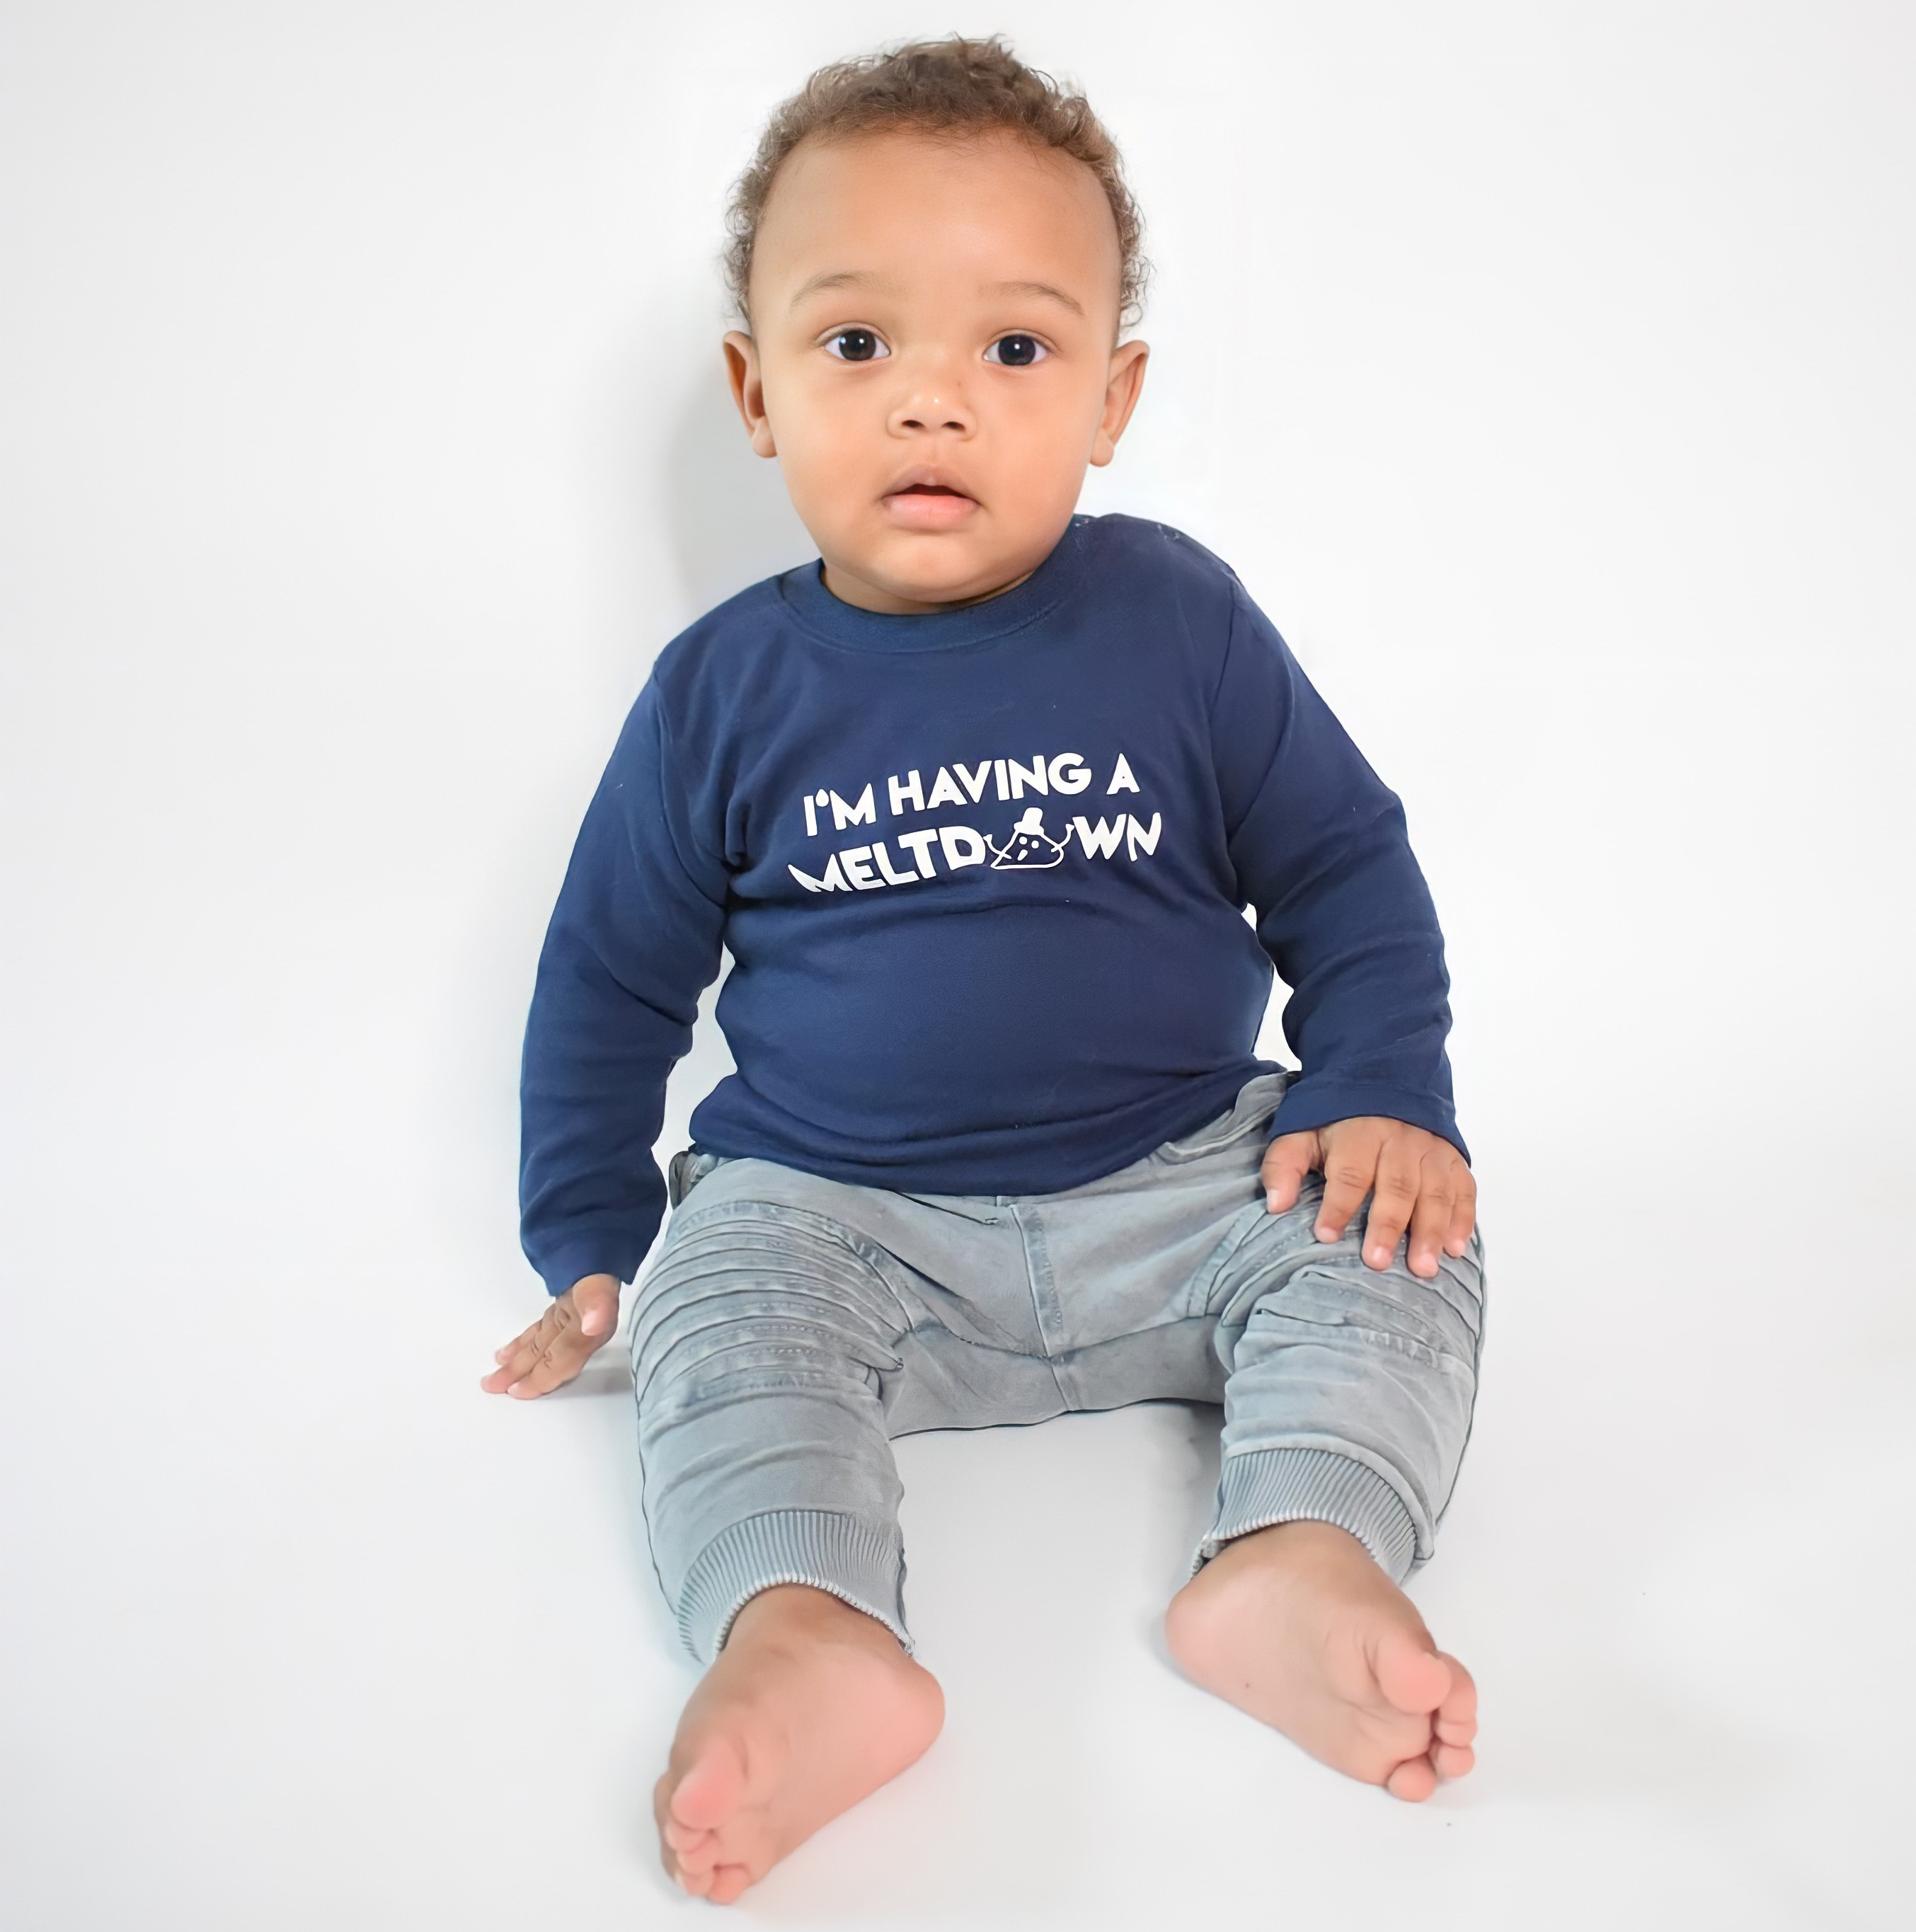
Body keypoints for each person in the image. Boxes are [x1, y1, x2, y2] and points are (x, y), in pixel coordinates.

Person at [482, 35, 1484, 1904]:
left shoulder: (1179, 619)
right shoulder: (723, 692)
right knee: (732, 1307)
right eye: (859, 345)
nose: (931, 403)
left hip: (1186, 1179)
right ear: (756, 388)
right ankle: (807, 1625)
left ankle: (1302, 1548)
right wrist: (598, 1242)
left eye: (1012, 351)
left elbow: (1346, 869)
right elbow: (611, 980)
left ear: (1110, 396)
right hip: (848, 1222)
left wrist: (1382, 1090)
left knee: (1392, 1237)